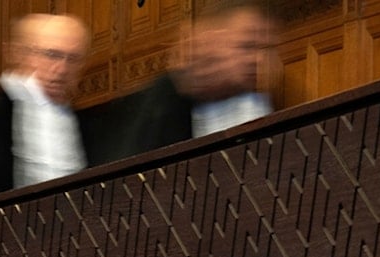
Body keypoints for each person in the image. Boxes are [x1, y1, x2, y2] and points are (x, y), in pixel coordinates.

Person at [0, 13, 95, 205]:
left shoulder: (89, 125)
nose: (61, 68)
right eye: (52, 55)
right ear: (24, 55)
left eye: (73, 58)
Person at [113, 0, 277, 158]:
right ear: (211, 41)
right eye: (246, 46)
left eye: (265, 49)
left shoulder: (259, 104)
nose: (258, 60)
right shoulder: (164, 104)